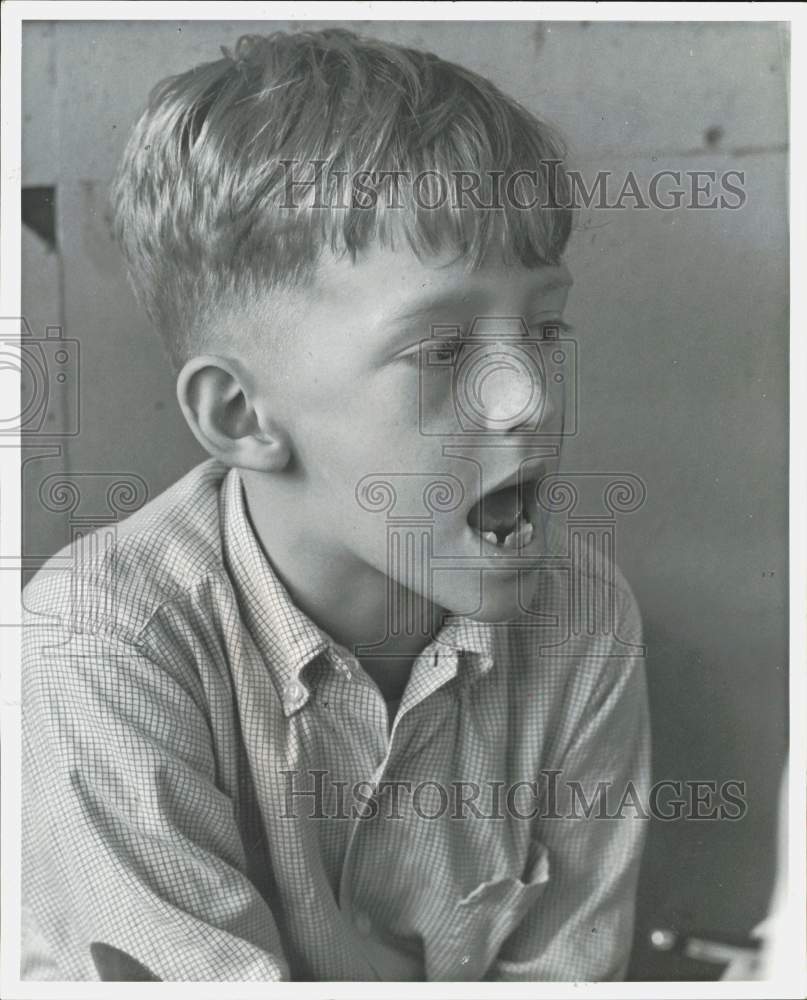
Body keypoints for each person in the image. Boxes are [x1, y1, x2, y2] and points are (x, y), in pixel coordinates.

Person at [21, 28, 650, 981]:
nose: (529, 394)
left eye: (544, 325)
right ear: (240, 415)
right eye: (440, 349)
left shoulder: (585, 619)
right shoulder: (96, 637)